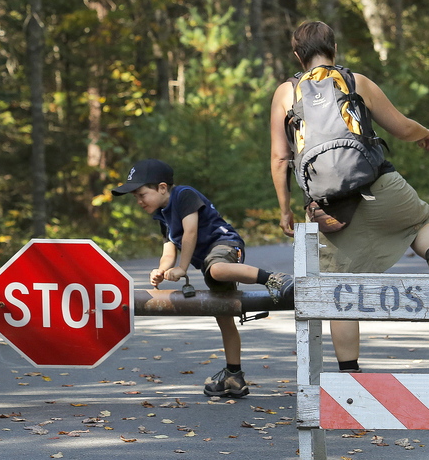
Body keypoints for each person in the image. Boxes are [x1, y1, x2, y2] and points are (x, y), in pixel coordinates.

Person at [269, 20, 429, 373]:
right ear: (334, 49)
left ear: (298, 55)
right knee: (420, 220)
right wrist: (427, 133)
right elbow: (402, 126)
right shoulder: (356, 81)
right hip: (379, 185)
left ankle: (350, 373)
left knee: (337, 284)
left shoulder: (286, 93)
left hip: (328, 207)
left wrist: (285, 211)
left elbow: (280, 157)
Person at [113, 158, 294, 397]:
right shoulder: (162, 216)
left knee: (217, 269)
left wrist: (183, 268)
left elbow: (190, 232)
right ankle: (234, 376)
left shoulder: (184, 196)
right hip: (209, 262)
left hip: (225, 245)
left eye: (141, 194)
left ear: (162, 188)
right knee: (223, 313)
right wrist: (161, 270)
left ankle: (276, 279)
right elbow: (170, 247)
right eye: (135, 197)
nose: (138, 201)